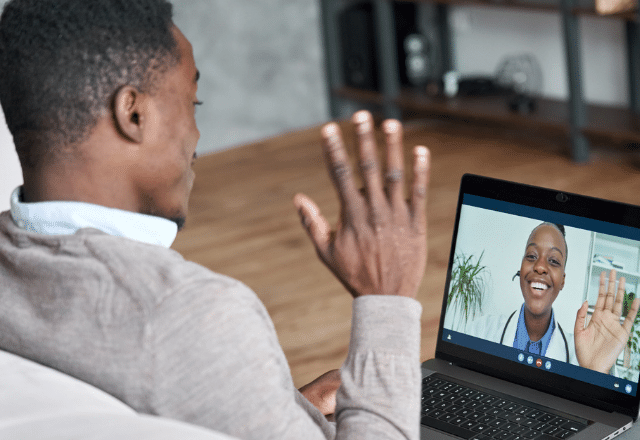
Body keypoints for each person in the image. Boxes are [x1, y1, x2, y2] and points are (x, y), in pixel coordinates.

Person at [0, 1, 430, 439]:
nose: (196, 137)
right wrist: (385, 297)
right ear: (133, 114)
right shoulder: (188, 315)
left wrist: (280, 408)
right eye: (192, 102)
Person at [467, 222, 640, 374]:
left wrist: (595, 374)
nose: (540, 266)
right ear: (521, 267)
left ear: (562, 280)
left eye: (554, 261)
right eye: (532, 256)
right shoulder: (480, 331)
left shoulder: (581, 355)